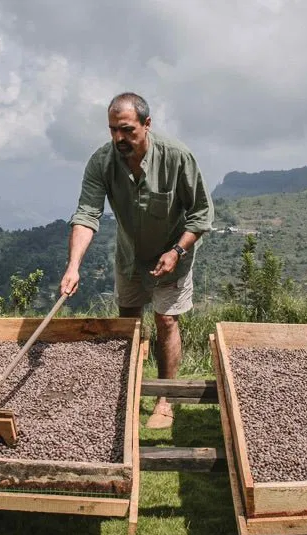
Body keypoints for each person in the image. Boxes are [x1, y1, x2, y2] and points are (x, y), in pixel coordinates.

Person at [61, 92, 214, 429]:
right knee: (127, 322)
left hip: (174, 254)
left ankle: (165, 398)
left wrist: (177, 252)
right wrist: (74, 266)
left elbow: (201, 215)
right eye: (113, 130)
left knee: (166, 321)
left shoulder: (177, 157)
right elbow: (87, 215)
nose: (119, 138)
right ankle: (127, 392)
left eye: (127, 130)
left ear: (147, 125)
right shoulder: (101, 161)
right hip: (130, 256)